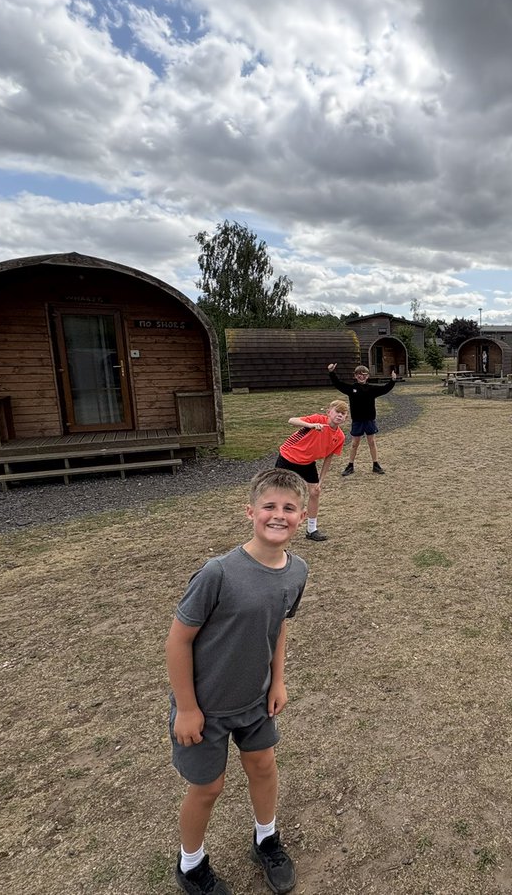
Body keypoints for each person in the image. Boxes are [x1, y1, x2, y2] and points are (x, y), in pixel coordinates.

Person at [166, 468, 310, 895]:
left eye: (289, 508)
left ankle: (265, 839)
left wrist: (278, 681)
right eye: (269, 506)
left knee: (263, 766)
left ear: (302, 515)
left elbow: (279, 627)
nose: (278, 515)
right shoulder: (218, 573)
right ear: (250, 512)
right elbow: (178, 641)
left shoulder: (297, 570)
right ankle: (191, 865)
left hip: (257, 699)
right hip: (206, 707)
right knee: (208, 787)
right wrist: (188, 708)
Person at [274, 399, 348, 542]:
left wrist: (321, 480)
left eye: (343, 413)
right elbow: (292, 420)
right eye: (337, 411)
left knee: (315, 492)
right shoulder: (318, 419)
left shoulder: (340, 437)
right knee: (279, 493)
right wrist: (311, 425)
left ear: (346, 418)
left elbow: (328, 458)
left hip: (307, 463)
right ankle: (276, 526)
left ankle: (311, 530)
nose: (340, 415)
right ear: (329, 412)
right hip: (288, 457)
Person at [327, 363, 397, 476]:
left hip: (369, 420)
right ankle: (350, 465)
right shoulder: (352, 389)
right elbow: (338, 384)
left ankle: (376, 465)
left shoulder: (372, 389)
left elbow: (385, 389)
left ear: (367, 376)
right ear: (355, 376)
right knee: (354, 444)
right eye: (359, 374)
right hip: (357, 421)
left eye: (364, 374)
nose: (361, 376)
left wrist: (393, 380)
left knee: (372, 442)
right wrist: (331, 372)